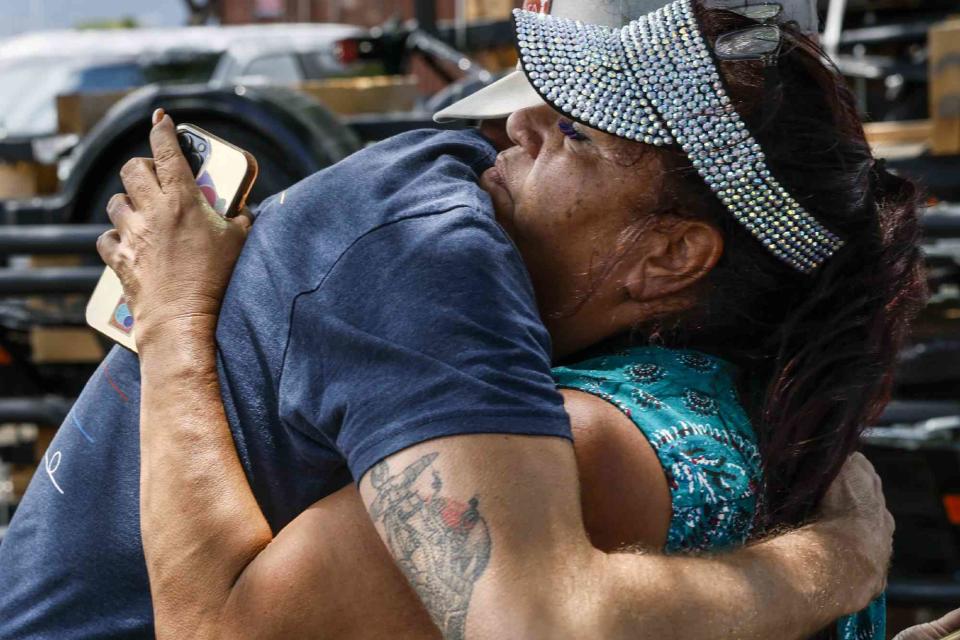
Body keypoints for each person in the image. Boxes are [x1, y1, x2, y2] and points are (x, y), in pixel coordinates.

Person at [0, 2, 906, 640]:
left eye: (581, 132)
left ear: (672, 258)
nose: (519, 123)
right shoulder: (434, 253)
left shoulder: (515, 312)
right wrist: (838, 566)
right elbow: (537, 619)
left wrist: (175, 320)